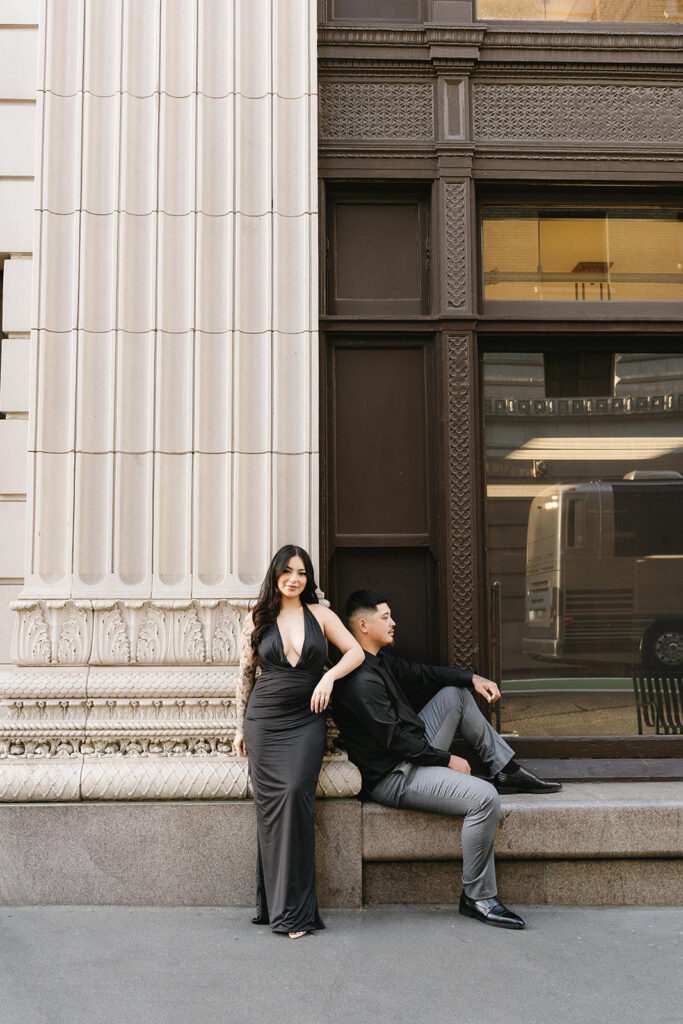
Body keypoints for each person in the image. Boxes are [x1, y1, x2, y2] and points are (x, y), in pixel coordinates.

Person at [331, 589, 562, 931]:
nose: (393, 623)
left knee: (454, 695)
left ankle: (505, 769)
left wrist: (472, 677)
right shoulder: (360, 680)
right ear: (363, 626)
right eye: (385, 617)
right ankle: (477, 898)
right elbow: (394, 743)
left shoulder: (377, 661)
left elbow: (425, 674)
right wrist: (446, 759)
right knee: (484, 799)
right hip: (395, 776)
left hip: (412, 750)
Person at [234, 545, 363, 939]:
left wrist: (328, 676)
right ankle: (278, 908)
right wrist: (240, 725)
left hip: (306, 722)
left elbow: (355, 652)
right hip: (264, 722)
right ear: (275, 575)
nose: (294, 578)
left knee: (295, 797)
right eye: (287, 571)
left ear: (308, 578)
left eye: (302, 572)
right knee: (271, 812)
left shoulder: (321, 615)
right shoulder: (257, 618)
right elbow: (244, 676)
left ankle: (293, 910)